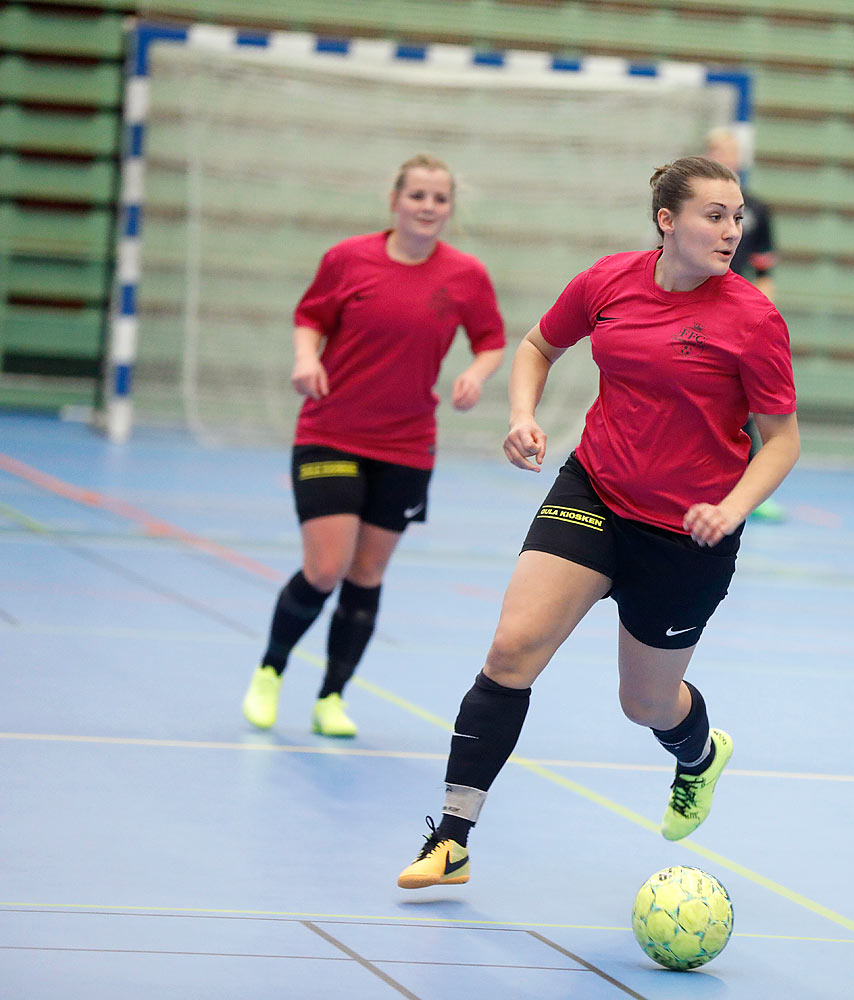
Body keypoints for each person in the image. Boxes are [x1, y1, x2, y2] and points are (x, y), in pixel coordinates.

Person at [396, 155, 799, 889]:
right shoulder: (608, 282)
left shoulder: (753, 319)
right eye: (715, 214)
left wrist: (732, 507)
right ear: (667, 221)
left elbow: (783, 440)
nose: (732, 230)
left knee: (643, 703)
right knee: (512, 650)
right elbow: (536, 346)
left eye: (737, 216)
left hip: (688, 534)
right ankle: (451, 840)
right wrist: (521, 416)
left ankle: (699, 754)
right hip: (596, 492)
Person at [240, 154, 507, 739]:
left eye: (439, 199)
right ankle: (271, 669)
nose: (428, 207)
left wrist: (476, 375)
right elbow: (310, 316)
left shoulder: (465, 274)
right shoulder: (348, 258)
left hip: (407, 444)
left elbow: (491, 339)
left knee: (366, 574)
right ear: (395, 200)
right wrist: (306, 356)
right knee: (326, 568)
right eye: (417, 196)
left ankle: (331, 697)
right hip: (330, 431)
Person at [705, 126, 785, 522]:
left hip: (737, 317)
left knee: (751, 403)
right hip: (698, 311)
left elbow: (764, 268)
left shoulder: (757, 209)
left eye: (732, 151)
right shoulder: (691, 210)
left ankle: (752, 491)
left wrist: (763, 312)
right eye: (719, 150)